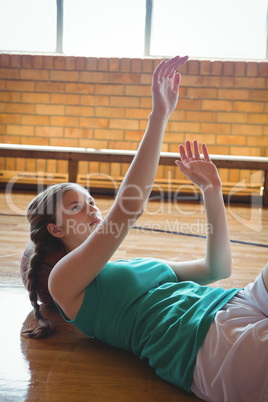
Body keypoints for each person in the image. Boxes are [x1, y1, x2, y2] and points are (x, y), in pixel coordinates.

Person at [22, 56, 268, 402]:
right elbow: (128, 209)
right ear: (56, 230)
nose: (92, 207)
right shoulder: (64, 283)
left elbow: (217, 269)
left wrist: (211, 192)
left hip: (234, 302)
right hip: (203, 343)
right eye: (76, 207)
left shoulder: (133, 267)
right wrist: (159, 116)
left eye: (91, 200)